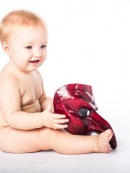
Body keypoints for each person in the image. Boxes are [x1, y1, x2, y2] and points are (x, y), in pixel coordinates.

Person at [0, 9, 113, 154]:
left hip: (31, 123)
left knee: (62, 122)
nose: (38, 53)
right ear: (7, 48)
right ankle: (94, 144)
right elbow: (12, 117)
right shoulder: (9, 79)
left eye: (43, 46)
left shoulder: (34, 73)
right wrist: (41, 119)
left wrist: (57, 105)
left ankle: (83, 136)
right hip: (9, 133)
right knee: (49, 135)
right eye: (29, 47)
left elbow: (41, 100)